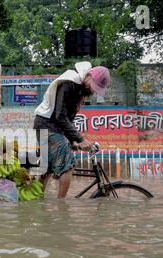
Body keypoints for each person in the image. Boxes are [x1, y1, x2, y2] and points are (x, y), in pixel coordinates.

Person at [33, 61, 110, 198]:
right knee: (67, 165)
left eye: (95, 88)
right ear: (88, 76)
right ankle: (62, 208)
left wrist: (72, 140)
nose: (92, 90)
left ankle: (36, 202)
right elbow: (60, 115)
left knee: (47, 168)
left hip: (53, 127)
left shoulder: (79, 89)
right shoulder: (68, 82)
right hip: (47, 125)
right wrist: (79, 139)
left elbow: (67, 118)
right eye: (93, 85)